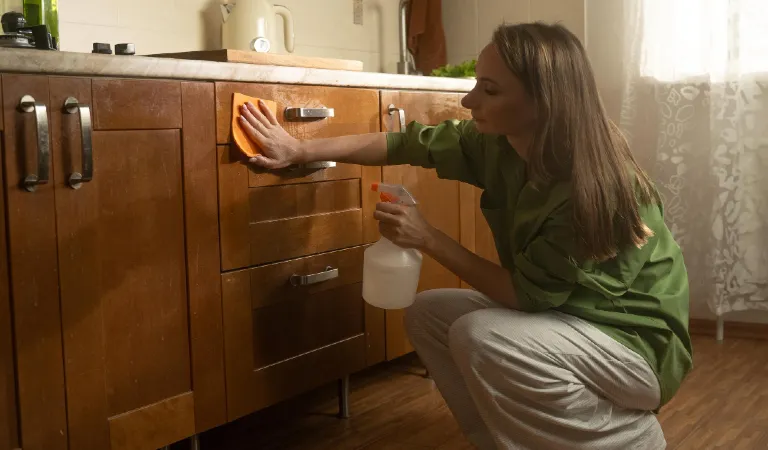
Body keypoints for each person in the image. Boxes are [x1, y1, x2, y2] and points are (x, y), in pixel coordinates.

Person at [237, 22, 692, 450]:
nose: (469, 101)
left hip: (632, 346)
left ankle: (628, 439)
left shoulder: (593, 187)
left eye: (489, 90)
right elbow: (403, 143)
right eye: (477, 83)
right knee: (429, 313)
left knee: (482, 334)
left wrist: (428, 238)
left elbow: (524, 297)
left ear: (544, 102)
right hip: (567, 318)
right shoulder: (502, 145)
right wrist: (300, 148)